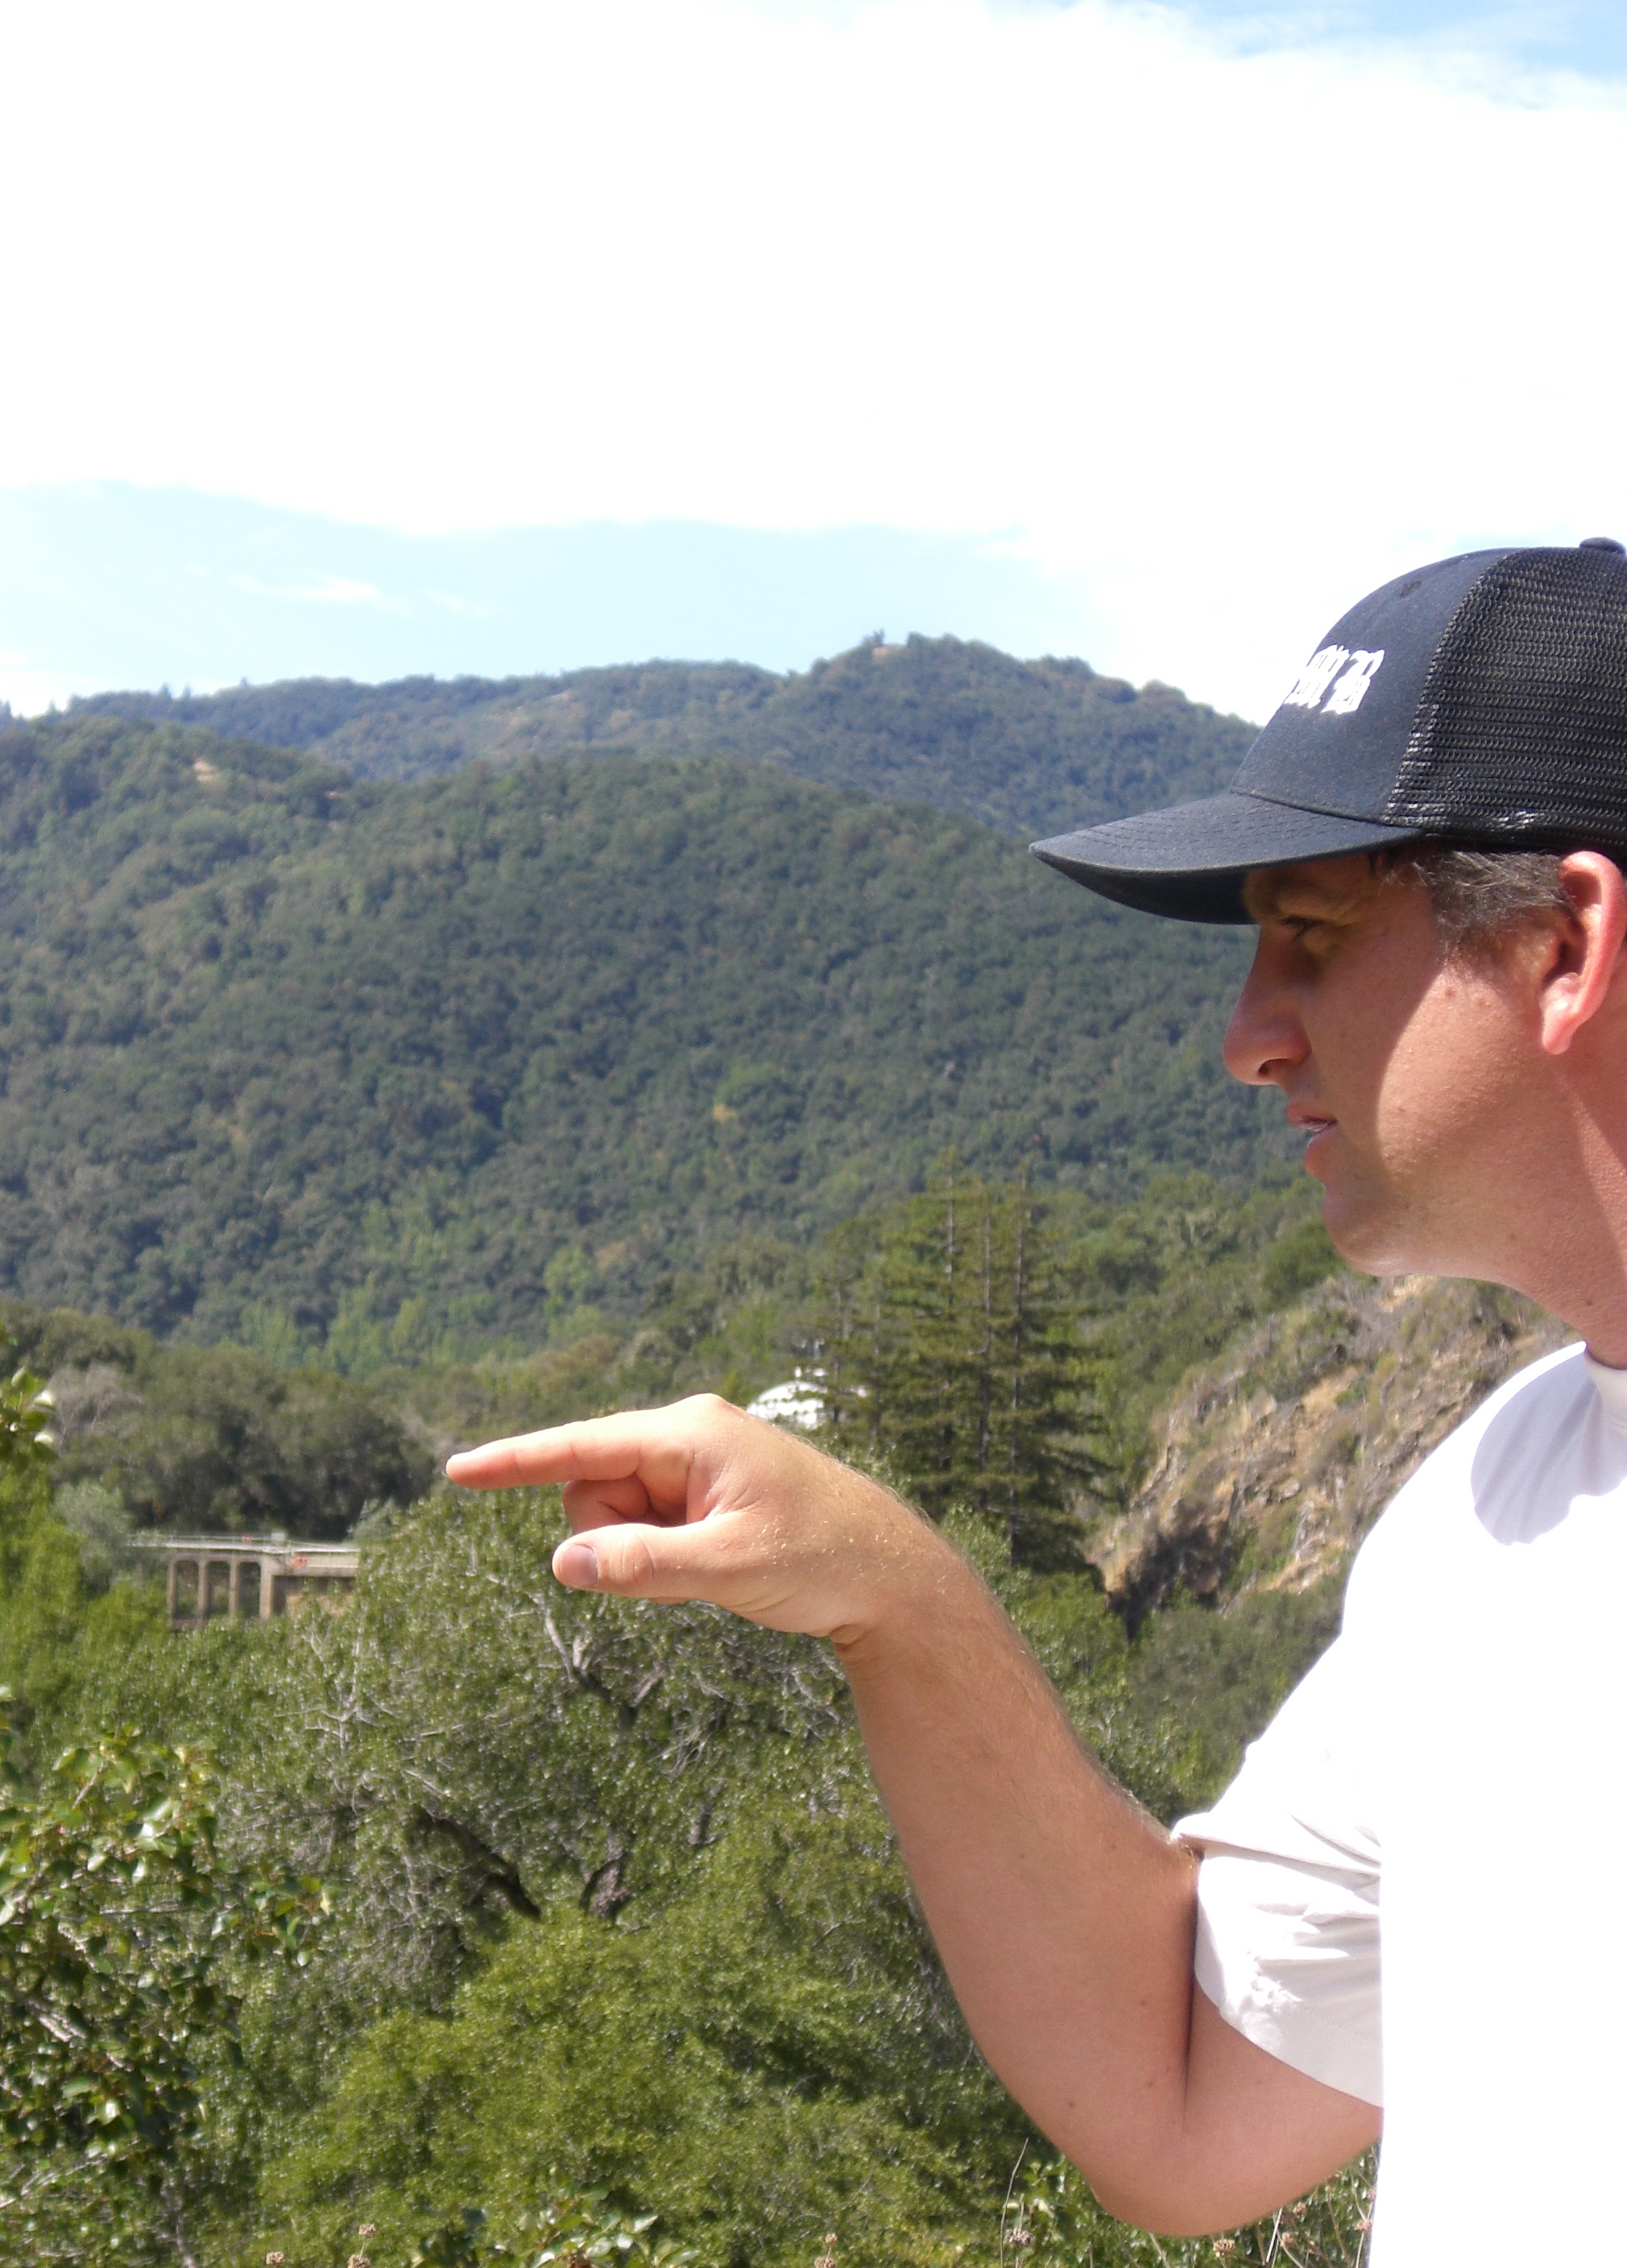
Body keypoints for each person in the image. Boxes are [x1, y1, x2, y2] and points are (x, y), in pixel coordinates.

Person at [447, 538, 1627, 2266]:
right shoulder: (1493, 1502)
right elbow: (1185, 2093)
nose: (1248, 1036)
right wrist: (893, 1597)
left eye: (1306, 936)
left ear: (1565, 946)